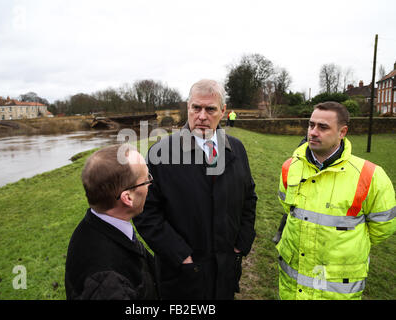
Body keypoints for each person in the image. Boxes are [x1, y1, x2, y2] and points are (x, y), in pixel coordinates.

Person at [133, 79, 257, 300]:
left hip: (225, 269)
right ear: (187, 107)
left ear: (223, 111)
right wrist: (181, 256)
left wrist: (242, 242)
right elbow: (145, 213)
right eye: (196, 108)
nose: (202, 116)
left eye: (210, 109)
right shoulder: (159, 154)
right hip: (182, 274)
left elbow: (249, 197)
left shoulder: (237, 149)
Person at [276, 101, 395, 300]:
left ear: (342, 132)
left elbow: (383, 228)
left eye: (323, 127)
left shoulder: (370, 175)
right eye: (311, 125)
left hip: (336, 291)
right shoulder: (290, 167)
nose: (313, 132)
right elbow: (288, 208)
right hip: (291, 287)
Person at [65, 144, 158, 300]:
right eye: (146, 179)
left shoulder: (95, 225)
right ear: (128, 198)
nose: (150, 183)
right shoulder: (108, 286)